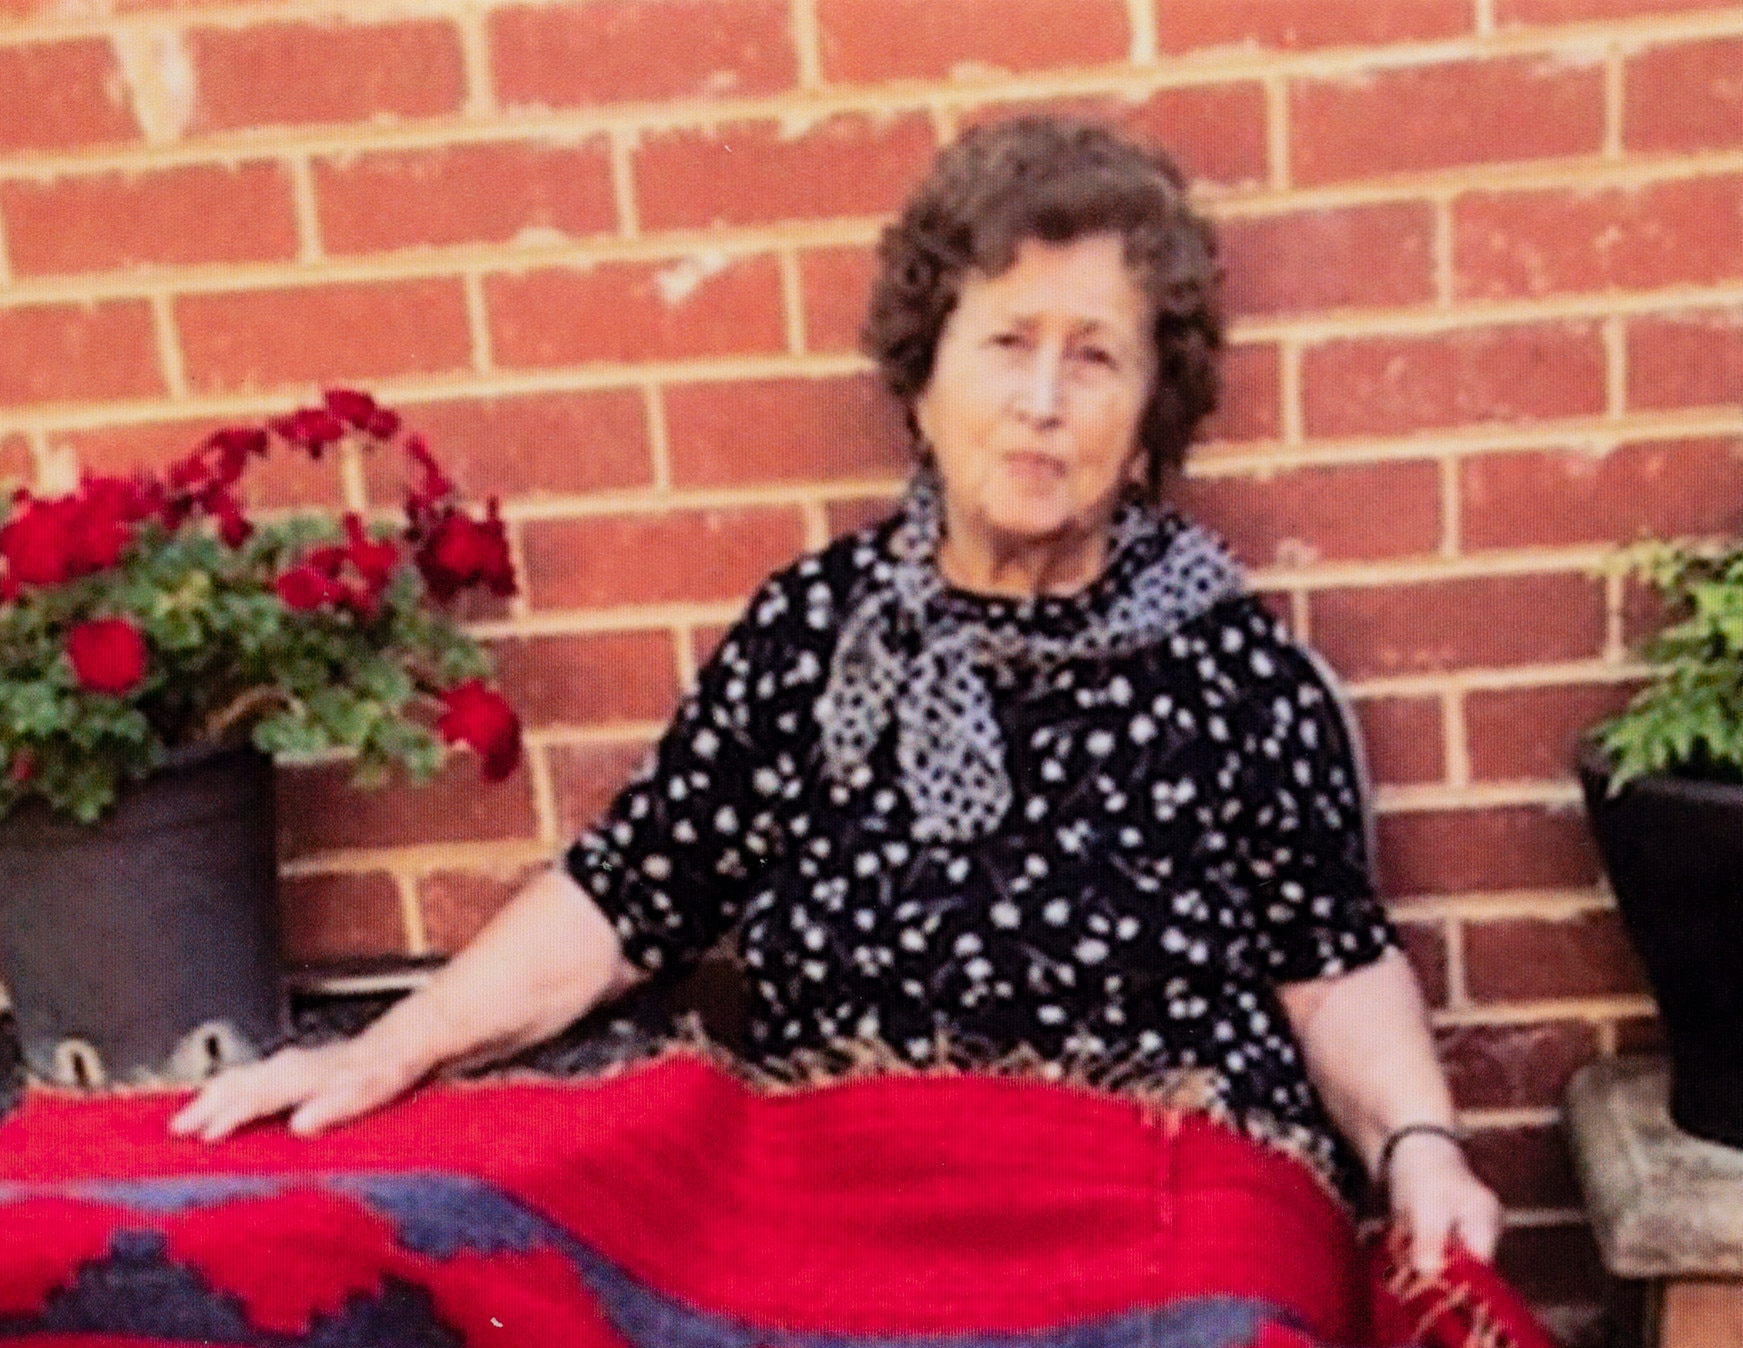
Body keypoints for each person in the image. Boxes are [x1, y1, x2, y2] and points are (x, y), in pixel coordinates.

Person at [173, 116, 1500, 1273]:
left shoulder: (1227, 666)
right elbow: (626, 896)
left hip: (1166, 1215)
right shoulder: (813, 635)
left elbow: (1330, 967)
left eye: (1095, 356)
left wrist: (1422, 1150)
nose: (1042, 400)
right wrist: (390, 1051)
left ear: (1155, 410)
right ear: (923, 381)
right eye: (1005, 343)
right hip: (856, 1215)